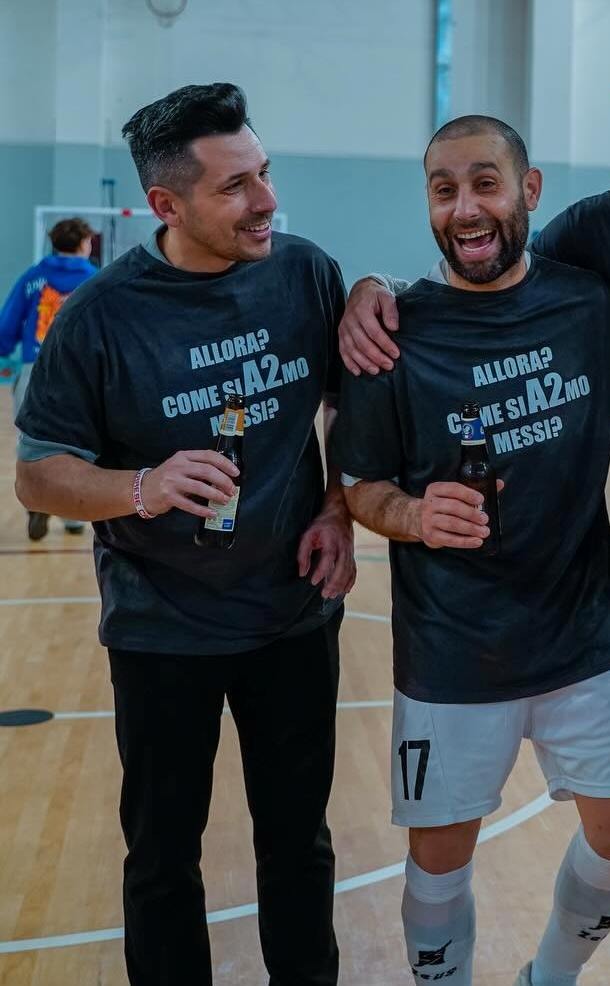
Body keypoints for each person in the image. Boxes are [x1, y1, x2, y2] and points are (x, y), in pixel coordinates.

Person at [14, 83, 355, 986]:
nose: (267, 200)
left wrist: (335, 508)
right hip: (162, 631)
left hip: (293, 618)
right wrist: (142, 486)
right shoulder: (101, 316)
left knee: (300, 844)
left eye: (264, 173)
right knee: (164, 857)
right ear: (166, 205)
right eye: (236, 186)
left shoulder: (305, 273)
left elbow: (344, 406)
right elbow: (38, 471)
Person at [333, 115, 610, 986]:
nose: (465, 209)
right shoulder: (391, 335)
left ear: (529, 191)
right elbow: (360, 484)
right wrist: (415, 516)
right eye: (444, 189)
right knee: (438, 865)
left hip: (585, 637)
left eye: (485, 183)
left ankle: (550, 977)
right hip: (452, 649)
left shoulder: (590, 305)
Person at [0, 217, 97, 539]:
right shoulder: (96, 279)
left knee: (31, 440)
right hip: (80, 370)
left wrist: (6, 349)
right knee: (79, 441)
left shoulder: (33, 276)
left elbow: (7, 326)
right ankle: (73, 516)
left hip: (35, 367)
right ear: (83, 243)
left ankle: (36, 502)